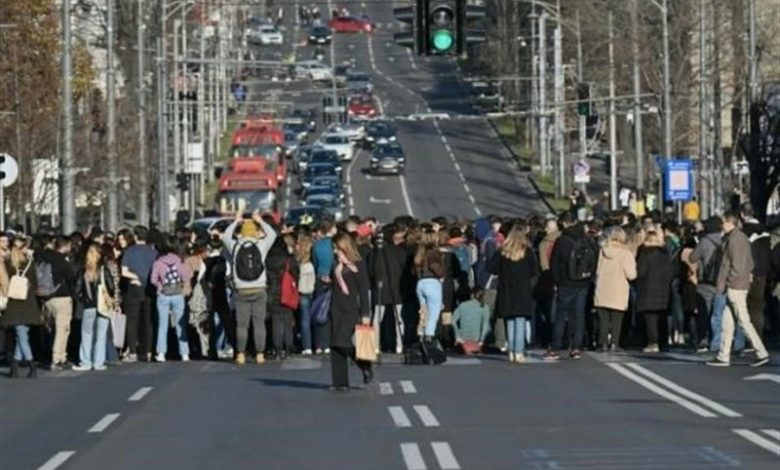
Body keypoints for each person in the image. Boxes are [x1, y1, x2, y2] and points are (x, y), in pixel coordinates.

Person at [707, 213, 770, 367]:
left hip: (736, 286)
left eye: (723, 222)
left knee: (743, 321)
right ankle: (723, 355)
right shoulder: (737, 238)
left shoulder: (736, 240)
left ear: (730, 223)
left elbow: (739, 265)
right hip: (736, 285)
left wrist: (730, 282)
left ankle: (761, 352)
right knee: (727, 323)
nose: (721, 225)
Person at [222, 211, 277, 365]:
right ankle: (260, 354)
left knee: (242, 324)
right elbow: (272, 234)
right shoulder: (261, 245)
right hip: (259, 288)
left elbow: (225, 236)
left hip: (241, 290)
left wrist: (235, 222)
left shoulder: (235, 246)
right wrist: (260, 221)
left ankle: (240, 353)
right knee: (259, 323)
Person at [547, 212, 596, 360]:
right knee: (578, 314)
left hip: (565, 282)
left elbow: (554, 263)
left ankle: (555, 347)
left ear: (564, 223)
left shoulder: (562, 240)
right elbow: (593, 259)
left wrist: (556, 281)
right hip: (582, 282)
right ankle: (576, 347)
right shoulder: (585, 238)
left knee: (561, 315)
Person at [329, 233, 373, 391]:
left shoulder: (358, 265)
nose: (334, 251)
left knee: (343, 342)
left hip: (351, 309)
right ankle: (340, 382)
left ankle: (364, 364)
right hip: (335, 308)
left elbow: (363, 290)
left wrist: (366, 314)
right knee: (335, 345)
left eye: (336, 248)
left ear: (344, 247)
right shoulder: (335, 264)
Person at [488, 225, 538, 363]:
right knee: (520, 320)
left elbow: (491, 268)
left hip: (506, 290)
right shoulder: (527, 252)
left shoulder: (503, 252)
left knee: (509, 321)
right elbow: (534, 271)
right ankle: (519, 351)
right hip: (522, 290)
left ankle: (511, 351)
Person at [73, 243, 117, 371]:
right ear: (99, 255)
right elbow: (111, 287)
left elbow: (76, 290)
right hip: (102, 306)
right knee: (101, 335)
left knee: (87, 335)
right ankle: (99, 363)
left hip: (88, 307)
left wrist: (83, 299)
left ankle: (86, 362)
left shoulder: (84, 271)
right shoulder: (103, 269)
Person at [2, 237, 41, 378]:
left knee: (21, 334)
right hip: (28, 301)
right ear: (23, 248)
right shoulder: (30, 262)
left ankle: (29, 365)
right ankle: (18, 365)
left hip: (14, 301)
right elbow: (36, 283)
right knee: (22, 333)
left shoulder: (8, 263)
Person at [593, 226, 637, 352]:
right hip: (618, 289)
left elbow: (598, 270)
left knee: (603, 318)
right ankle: (614, 343)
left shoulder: (602, 251)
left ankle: (602, 343)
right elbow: (631, 274)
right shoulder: (626, 253)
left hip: (602, 287)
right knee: (617, 318)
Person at [36, 235, 76, 370]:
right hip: (62, 297)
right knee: (62, 329)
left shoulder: (43, 256)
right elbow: (71, 278)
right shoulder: (62, 261)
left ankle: (58, 356)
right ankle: (58, 358)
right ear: (64, 246)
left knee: (52, 328)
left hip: (46, 297)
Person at [150, 238, 191, 362]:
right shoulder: (180, 261)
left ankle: (161, 353)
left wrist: (159, 286)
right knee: (180, 324)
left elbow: (153, 279)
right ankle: (184, 353)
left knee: (162, 325)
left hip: (163, 295)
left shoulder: (158, 262)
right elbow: (186, 276)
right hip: (178, 294)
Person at [121, 226, 158, 362]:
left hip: (133, 287)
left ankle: (132, 352)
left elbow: (124, 272)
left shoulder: (129, 251)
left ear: (135, 236)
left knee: (132, 320)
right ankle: (148, 351)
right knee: (148, 321)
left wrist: (135, 277)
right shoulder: (153, 252)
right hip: (149, 288)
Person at [688, 217, 725, 353]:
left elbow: (692, 257)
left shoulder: (704, 241)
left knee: (704, 312)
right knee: (719, 313)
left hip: (705, 282)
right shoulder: (725, 240)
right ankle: (719, 340)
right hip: (721, 281)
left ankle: (703, 340)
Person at [369, 224, 406, 355]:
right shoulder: (399, 251)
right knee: (399, 319)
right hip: (396, 287)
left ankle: (375, 346)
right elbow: (404, 269)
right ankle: (399, 345)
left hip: (380, 288)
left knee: (377, 319)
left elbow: (372, 271)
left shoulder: (375, 252)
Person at [636, 231, 674, 353]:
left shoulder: (645, 254)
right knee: (661, 317)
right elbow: (670, 272)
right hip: (664, 290)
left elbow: (640, 272)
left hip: (647, 290)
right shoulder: (665, 254)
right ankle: (664, 343)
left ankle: (653, 342)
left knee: (650, 318)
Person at [266, 232, 299, 360]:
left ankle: (277, 349)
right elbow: (296, 275)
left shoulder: (267, 259)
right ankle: (288, 348)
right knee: (287, 321)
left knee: (276, 322)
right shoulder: (289, 260)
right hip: (287, 294)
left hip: (272, 293)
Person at [415, 225, 445, 343]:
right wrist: (441, 274)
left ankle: (420, 337)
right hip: (432, 283)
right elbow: (435, 267)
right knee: (433, 315)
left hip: (420, 283)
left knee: (423, 314)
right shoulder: (432, 253)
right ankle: (429, 339)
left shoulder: (419, 253)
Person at [452, 287, 491, 354]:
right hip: (477, 340)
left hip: (462, 339)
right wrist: (481, 341)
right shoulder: (485, 307)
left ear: (472, 295)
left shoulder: (463, 305)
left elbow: (452, 320)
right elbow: (486, 326)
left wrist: (457, 336)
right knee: (489, 326)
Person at [295, 232, 316, 355]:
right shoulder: (312, 262)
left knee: (304, 320)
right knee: (317, 317)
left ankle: (306, 346)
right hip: (313, 291)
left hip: (302, 292)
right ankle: (317, 343)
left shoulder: (298, 262)